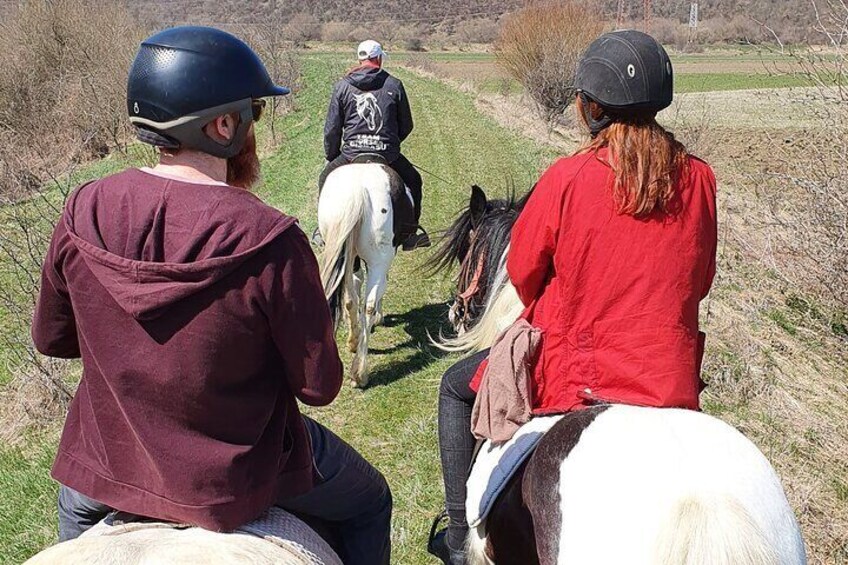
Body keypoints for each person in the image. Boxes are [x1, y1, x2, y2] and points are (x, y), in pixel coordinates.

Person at [32, 26, 391, 565]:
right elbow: (319, 386)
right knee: (369, 500)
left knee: (74, 520)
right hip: (236, 474)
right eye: (253, 116)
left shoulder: (82, 208)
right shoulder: (272, 239)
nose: (253, 130)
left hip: (110, 461)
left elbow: (52, 338)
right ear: (222, 127)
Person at [428, 30, 718, 564]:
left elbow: (521, 272)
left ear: (591, 109)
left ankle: (453, 542)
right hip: (670, 377)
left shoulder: (567, 177)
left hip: (579, 375)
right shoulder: (700, 179)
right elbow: (700, 280)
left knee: (453, 388)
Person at [316, 39, 429, 250]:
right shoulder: (394, 85)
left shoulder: (342, 87)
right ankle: (411, 234)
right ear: (378, 58)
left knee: (324, 179)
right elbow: (407, 124)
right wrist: (389, 143)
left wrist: (332, 156)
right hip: (387, 155)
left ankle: (322, 232)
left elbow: (332, 128)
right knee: (414, 181)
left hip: (351, 154)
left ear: (360, 59)